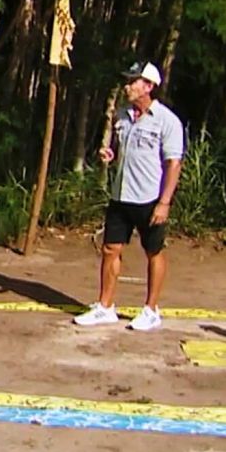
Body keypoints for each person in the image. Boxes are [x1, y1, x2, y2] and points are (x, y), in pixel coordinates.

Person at [74, 61, 186, 332]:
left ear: (148, 86)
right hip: (120, 195)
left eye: (133, 82)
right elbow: (119, 150)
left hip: (149, 199)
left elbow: (173, 163)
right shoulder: (122, 115)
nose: (127, 87)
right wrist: (110, 156)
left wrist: (164, 202)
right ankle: (105, 306)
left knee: (153, 251)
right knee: (110, 248)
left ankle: (151, 309)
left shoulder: (167, 121)